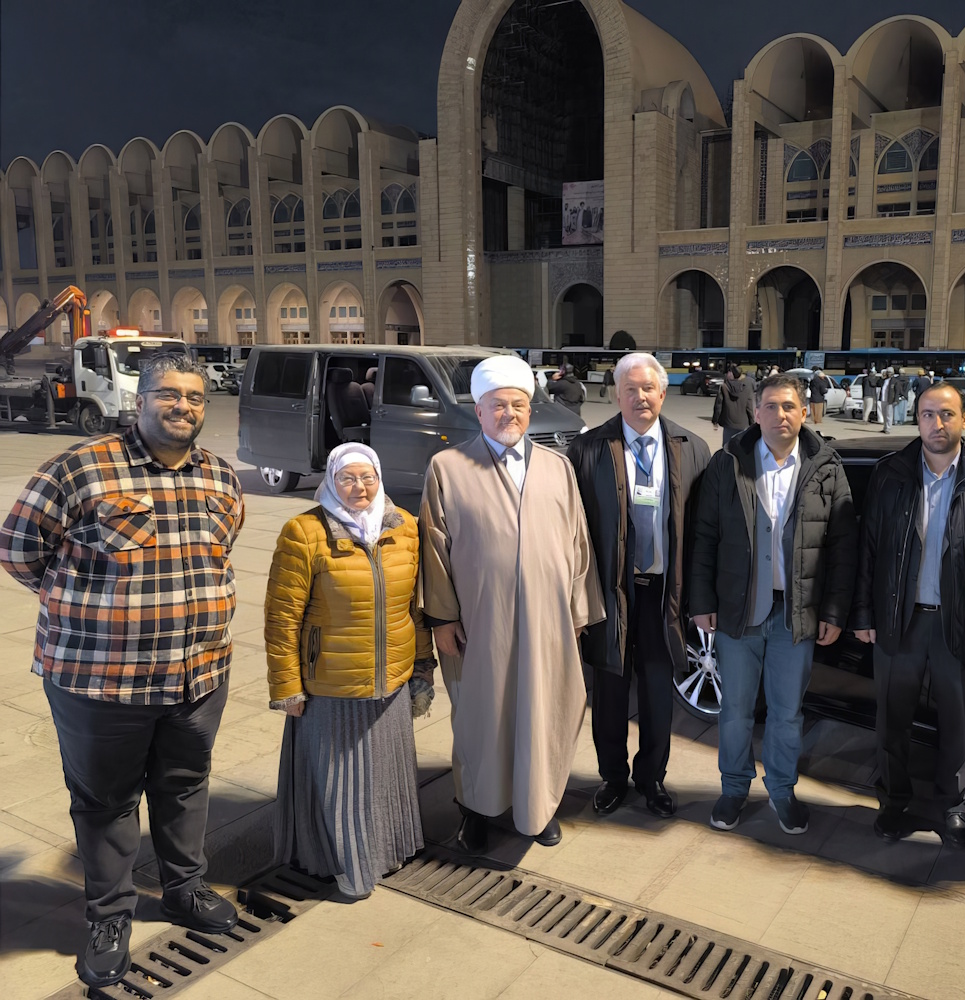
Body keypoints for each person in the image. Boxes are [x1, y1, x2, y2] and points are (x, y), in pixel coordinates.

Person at [0, 354, 242, 988]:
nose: (183, 405)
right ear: (141, 399)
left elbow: (220, 551)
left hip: (198, 674)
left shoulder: (220, 475)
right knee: (106, 802)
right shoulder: (80, 468)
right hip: (101, 680)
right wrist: (86, 609)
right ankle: (109, 917)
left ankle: (185, 889)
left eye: (194, 396)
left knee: (184, 785)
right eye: (168, 393)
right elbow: (18, 549)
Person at [419, 355, 604, 855]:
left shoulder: (557, 467)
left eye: (518, 405)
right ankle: (477, 810)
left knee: (544, 712)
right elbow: (434, 547)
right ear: (478, 411)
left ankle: (538, 807)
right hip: (480, 623)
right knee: (481, 718)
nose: (509, 414)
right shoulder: (448, 468)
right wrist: (442, 618)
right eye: (498, 405)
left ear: (530, 409)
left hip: (548, 622)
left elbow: (578, 543)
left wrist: (578, 614)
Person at [850, 382, 965, 847]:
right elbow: (869, 549)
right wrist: (863, 614)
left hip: (960, 625)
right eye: (927, 414)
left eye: (947, 414)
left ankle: (953, 806)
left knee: (960, 727)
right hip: (898, 621)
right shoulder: (890, 473)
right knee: (892, 722)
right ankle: (893, 802)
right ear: (917, 419)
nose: (937, 423)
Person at [264, 444, 436, 900]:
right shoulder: (304, 532)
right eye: (348, 478)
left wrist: (422, 669)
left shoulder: (405, 528)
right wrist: (287, 686)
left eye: (368, 477)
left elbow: (414, 610)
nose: (360, 487)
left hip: (391, 681)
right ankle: (345, 867)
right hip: (331, 685)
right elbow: (282, 619)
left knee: (384, 777)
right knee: (342, 785)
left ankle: (385, 854)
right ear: (331, 481)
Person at [689, 374, 858, 835]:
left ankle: (783, 790)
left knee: (787, 714)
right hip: (738, 610)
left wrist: (834, 611)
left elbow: (843, 545)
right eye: (770, 406)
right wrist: (701, 600)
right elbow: (705, 535)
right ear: (756, 412)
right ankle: (733, 788)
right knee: (735, 711)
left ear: (803, 413)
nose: (779, 415)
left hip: (796, 614)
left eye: (788, 406)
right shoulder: (728, 462)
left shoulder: (825, 465)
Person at [567, 354, 711, 819]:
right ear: (616, 394)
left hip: (664, 594)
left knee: (657, 692)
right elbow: (572, 530)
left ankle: (652, 779)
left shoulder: (692, 448)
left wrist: (699, 597)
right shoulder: (588, 449)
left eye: (648, 388)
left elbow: (703, 531)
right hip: (610, 593)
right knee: (609, 692)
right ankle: (612, 778)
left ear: (663, 393)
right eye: (629, 389)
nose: (640, 397)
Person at [713, 365, 756, 445]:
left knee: (727, 446)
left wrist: (715, 420)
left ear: (731, 374)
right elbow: (749, 407)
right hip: (743, 423)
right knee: (740, 447)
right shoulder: (747, 387)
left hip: (728, 423)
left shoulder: (724, 387)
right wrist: (752, 422)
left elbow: (718, 406)